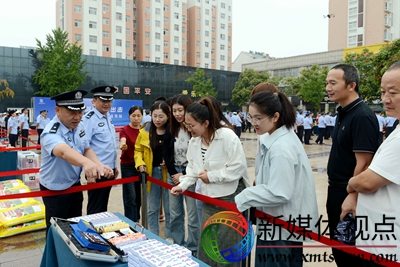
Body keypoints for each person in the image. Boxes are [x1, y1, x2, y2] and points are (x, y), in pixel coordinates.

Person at [235, 91, 319, 267]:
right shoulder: (280, 138)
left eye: (258, 118)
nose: (253, 123)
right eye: (251, 117)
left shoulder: (281, 147)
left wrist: (244, 196)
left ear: (275, 116)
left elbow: (279, 192)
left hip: (280, 229)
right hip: (281, 225)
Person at [170, 97, 251, 267]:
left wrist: (212, 176)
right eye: (187, 125)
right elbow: (192, 168)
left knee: (226, 246)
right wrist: (182, 185)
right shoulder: (195, 141)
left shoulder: (227, 136)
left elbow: (238, 168)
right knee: (207, 243)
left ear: (206, 123)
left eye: (192, 125)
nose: (188, 129)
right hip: (208, 199)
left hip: (228, 199)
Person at [346, 61, 400, 267]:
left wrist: (351, 185)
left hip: (387, 247)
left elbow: (367, 181)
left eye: (393, 92)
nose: (385, 99)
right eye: (383, 91)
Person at [325, 64, 379, 267]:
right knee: (339, 250)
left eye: (333, 83)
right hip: (336, 191)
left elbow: (364, 163)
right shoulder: (344, 113)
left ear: (351, 85)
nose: (328, 88)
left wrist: (353, 196)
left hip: (350, 195)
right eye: (327, 83)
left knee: (351, 254)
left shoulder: (362, 116)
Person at [39, 90, 113, 232]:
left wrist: (98, 164)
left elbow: (86, 149)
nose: (77, 117)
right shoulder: (51, 132)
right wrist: (86, 163)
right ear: (57, 110)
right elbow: (64, 152)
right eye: (72, 113)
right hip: (55, 189)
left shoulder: (78, 128)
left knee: (74, 228)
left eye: (80, 112)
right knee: (57, 232)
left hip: (74, 184)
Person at [164, 94, 200, 254]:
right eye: (175, 111)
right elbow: (166, 152)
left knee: (193, 216)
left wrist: (184, 174)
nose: (178, 114)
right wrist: (173, 173)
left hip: (190, 175)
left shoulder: (194, 128)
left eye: (180, 110)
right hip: (173, 174)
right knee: (175, 214)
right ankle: (179, 245)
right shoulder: (171, 128)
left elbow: (198, 157)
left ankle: (193, 248)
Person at [135, 101, 172, 240]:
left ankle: (169, 238)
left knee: (169, 209)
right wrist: (140, 164)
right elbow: (138, 150)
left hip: (168, 174)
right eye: (155, 116)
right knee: (152, 209)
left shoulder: (172, 130)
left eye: (161, 116)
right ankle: (153, 237)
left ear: (168, 116)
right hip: (151, 174)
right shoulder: (145, 131)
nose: (157, 120)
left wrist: (170, 162)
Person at [82, 86, 118, 215]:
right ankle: (91, 233)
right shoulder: (89, 119)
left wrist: (114, 166)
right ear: (94, 101)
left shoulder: (107, 117)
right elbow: (84, 146)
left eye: (109, 101)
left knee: (103, 205)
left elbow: (109, 144)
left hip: (108, 169)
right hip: (96, 171)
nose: (106, 104)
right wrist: (90, 172)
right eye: (103, 100)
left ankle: (99, 230)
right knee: (95, 206)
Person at [119, 105, 143, 222]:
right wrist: (123, 145)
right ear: (129, 116)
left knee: (138, 197)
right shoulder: (124, 130)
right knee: (130, 196)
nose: (136, 118)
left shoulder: (143, 131)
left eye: (138, 116)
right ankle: (130, 221)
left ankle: (136, 220)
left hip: (140, 167)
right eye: (133, 116)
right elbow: (122, 139)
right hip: (127, 166)